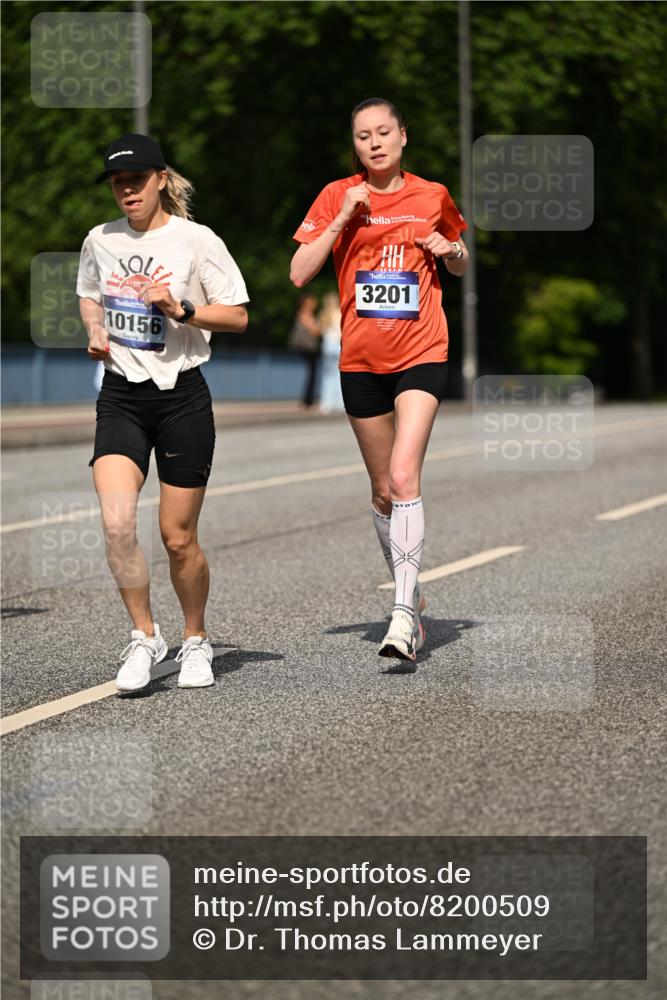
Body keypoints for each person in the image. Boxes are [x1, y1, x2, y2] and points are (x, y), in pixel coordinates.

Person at [290, 98, 468, 662]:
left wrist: (450, 249)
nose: (374, 143)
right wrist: (343, 217)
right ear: (355, 144)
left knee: (403, 474)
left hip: (421, 351)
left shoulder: (432, 195)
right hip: (361, 361)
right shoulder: (336, 195)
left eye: (384, 132)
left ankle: (402, 613)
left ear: (403, 136)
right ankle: (411, 597)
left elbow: (461, 260)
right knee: (383, 492)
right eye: (364, 135)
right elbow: (298, 273)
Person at [77, 133, 249, 691]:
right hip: (121, 396)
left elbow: (238, 316)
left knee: (177, 537)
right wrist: (95, 328)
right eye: (117, 183)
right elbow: (89, 293)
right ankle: (145, 635)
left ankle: (195, 638)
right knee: (116, 523)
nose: (127, 191)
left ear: (161, 180)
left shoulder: (197, 240)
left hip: (182, 399)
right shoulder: (100, 239)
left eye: (136, 180)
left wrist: (181, 308)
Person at [288, 292, 322, 410]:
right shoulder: (305, 315)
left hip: (309, 348)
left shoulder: (304, 315)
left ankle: (308, 400)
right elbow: (315, 331)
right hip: (308, 349)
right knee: (311, 374)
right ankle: (307, 401)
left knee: (311, 374)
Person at [318, 290, 345, 414]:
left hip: (326, 346)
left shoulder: (323, 314)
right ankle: (339, 403)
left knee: (327, 376)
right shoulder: (339, 313)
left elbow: (321, 331)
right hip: (337, 345)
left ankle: (326, 403)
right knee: (338, 375)